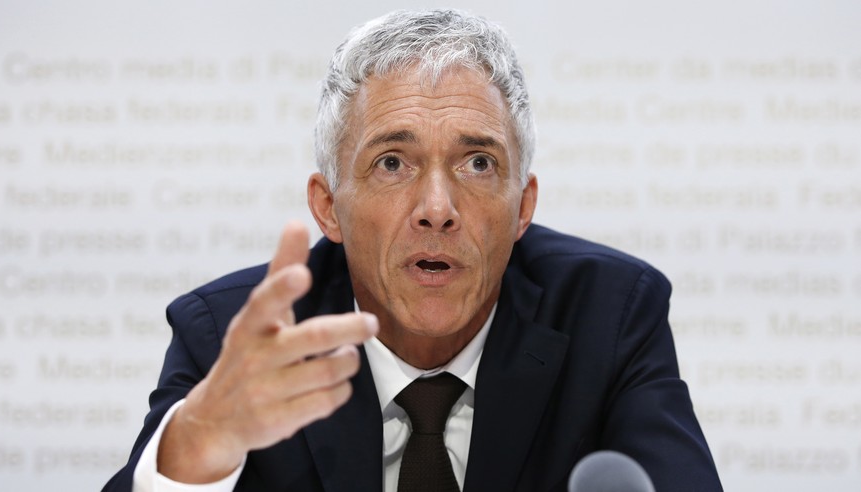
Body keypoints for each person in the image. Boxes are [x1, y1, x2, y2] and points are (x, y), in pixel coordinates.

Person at [105, 9, 722, 492]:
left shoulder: (608, 316)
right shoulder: (235, 340)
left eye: (478, 163)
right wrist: (197, 444)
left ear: (523, 208)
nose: (437, 207)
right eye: (392, 162)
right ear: (328, 208)